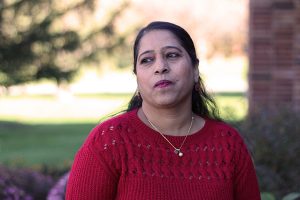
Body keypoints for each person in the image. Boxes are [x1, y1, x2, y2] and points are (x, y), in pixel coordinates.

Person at [65, 21, 261, 200]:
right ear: (137, 77)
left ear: (195, 70)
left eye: (172, 55)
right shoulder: (108, 142)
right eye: (147, 60)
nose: (160, 67)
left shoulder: (228, 144)